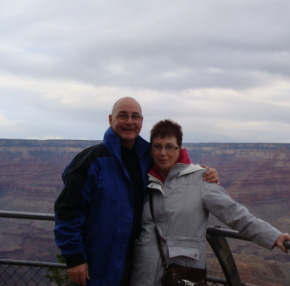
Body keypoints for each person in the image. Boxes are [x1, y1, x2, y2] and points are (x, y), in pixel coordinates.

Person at [54, 97, 219, 286]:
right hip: (98, 262)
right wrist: (75, 258)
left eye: (135, 117)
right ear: (111, 119)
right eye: (123, 116)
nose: (129, 122)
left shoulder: (147, 158)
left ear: (141, 122)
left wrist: (203, 174)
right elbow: (67, 211)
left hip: (139, 262)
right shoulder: (91, 161)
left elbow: (176, 166)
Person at [129, 119, 290, 286]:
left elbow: (235, 213)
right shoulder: (144, 182)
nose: (163, 152)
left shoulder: (200, 180)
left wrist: (273, 236)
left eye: (169, 146)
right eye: (157, 146)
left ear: (180, 149)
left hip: (181, 275)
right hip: (143, 276)